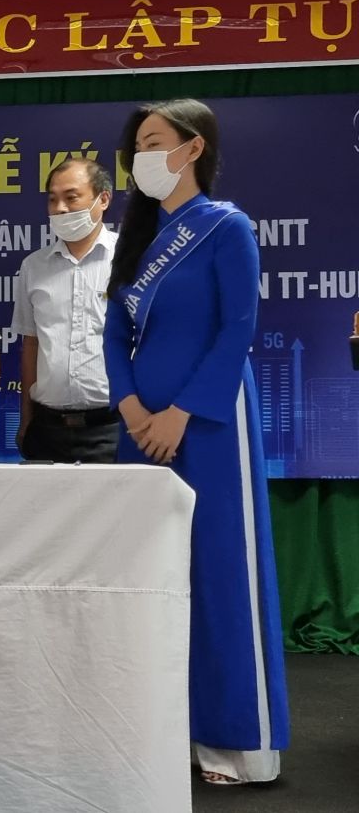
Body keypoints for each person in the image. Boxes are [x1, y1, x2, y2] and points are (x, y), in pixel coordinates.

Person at [104, 99, 289, 784]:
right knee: (151, 577)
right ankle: (163, 733)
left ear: (192, 148)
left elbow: (238, 327)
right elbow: (114, 335)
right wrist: (132, 408)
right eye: (136, 147)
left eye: (153, 142)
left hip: (209, 423)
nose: (141, 158)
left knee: (219, 573)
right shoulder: (138, 238)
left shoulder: (226, 226)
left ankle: (234, 741)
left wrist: (180, 413)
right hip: (139, 428)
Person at [12, 158, 120, 463]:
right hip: (47, 428)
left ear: (103, 199)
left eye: (71, 198)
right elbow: (31, 344)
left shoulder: (130, 259)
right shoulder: (34, 266)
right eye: (52, 199)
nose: (60, 208)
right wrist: (26, 418)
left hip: (113, 425)